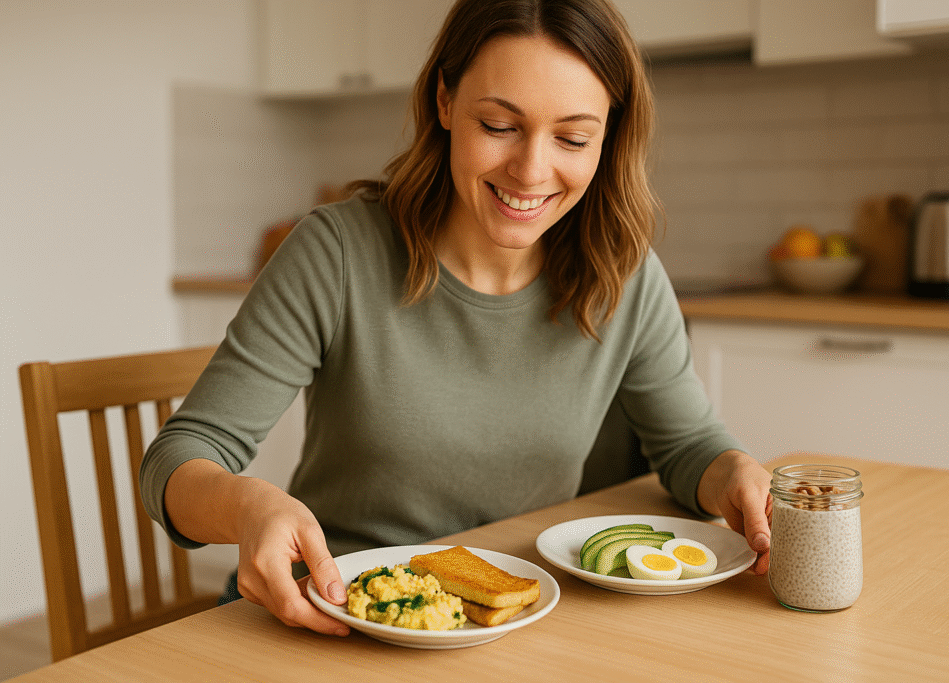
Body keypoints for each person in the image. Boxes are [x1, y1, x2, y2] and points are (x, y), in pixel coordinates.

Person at [140, 0, 772, 638]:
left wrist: (735, 475)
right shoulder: (337, 253)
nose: (530, 171)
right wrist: (248, 506)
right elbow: (181, 457)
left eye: (573, 138)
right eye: (499, 125)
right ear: (444, 101)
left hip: (514, 622)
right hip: (334, 615)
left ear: (609, 134)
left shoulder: (622, 273)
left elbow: (690, 449)